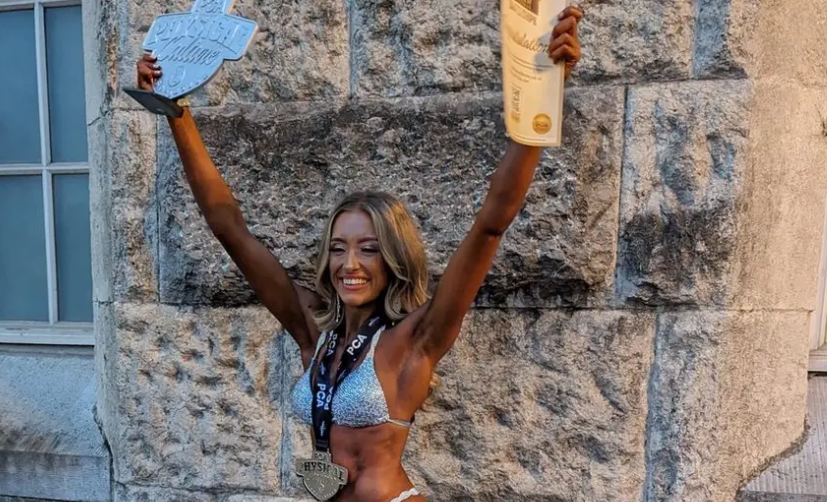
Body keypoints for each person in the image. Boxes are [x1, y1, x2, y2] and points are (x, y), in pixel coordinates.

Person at [135, 6, 582, 502]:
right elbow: (231, 231)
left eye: (369, 249)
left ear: (392, 259)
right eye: (339, 248)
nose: (351, 263)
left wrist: (543, 91)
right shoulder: (313, 331)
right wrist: (177, 114)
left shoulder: (416, 339)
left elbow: (490, 225)